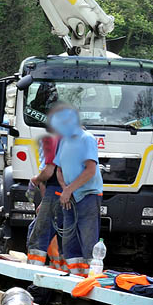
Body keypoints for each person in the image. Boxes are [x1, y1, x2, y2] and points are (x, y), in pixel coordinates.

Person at [50, 104, 102, 277]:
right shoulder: (64, 141)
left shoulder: (87, 139)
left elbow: (90, 170)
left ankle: (90, 278)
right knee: (69, 240)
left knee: (88, 240)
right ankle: (75, 277)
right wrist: (66, 189)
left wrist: (68, 190)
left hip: (87, 196)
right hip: (70, 197)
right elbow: (59, 169)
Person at [26, 121, 63, 268]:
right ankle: (59, 269)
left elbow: (47, 173)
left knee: (39, 234)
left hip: (56, 191)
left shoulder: (52, 141)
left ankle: (33, 270)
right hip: (75, 193)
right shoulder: (77, 141)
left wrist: (35, 180)